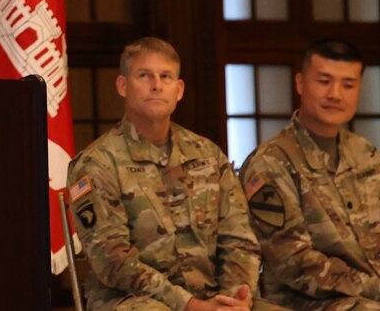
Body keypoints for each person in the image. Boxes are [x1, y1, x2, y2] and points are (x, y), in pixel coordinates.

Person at [67, 37, 280, 311]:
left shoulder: (208, 155)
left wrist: (235, 298)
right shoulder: (97, 163)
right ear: (123, 86)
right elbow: (112, 261)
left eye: (165, 76)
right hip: (131, 300)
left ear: (179, 90)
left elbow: (239, 238)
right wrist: (189, 304)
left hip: (212, 297)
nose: (156, 85)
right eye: (144, 75)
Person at [240, 39, 380, 311]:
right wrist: (374, 287)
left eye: (348, 85)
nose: (335, 94)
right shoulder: (271, 163)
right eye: (324, 81)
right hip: (306, 302)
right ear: (301, 83)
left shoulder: (366, 154)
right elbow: (292, 262)